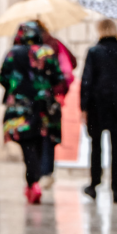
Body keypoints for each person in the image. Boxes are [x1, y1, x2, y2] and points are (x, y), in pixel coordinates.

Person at [0, 21, 65, 204]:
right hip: (43, 108)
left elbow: (2, 76)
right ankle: (36, 181)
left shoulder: (13, 53)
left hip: (20, 108)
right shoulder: (46, 52)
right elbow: (58, 77)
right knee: (40, 143)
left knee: (28, 147)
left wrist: (16, 87)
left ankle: (32, 183)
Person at [80, 19, 117, 203]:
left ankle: (94, 184)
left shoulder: (94, 52)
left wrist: (83, 106)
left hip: (97, 104)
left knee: (96, 146)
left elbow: (87, 81)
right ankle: (116, 189)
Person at [37, 23, 77, 188]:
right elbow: (71, 63)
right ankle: (47, 172)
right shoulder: (54, 44)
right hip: (52, 98)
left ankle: (38, 173)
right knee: (49, 135)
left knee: (36, 136)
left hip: (32, 101)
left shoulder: (25, 48)